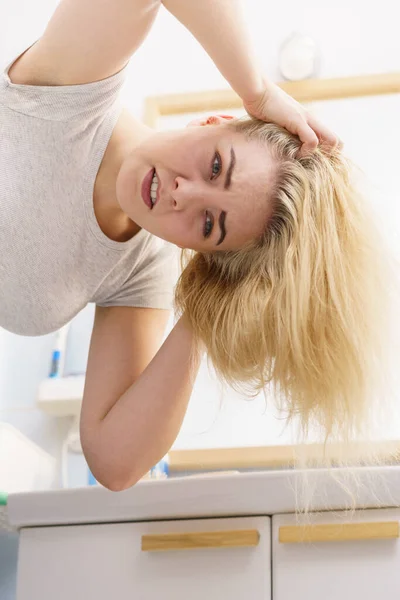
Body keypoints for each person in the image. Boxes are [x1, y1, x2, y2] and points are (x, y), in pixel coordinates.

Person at [0, 0, 391, 491]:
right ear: (213, 121)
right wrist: (259, 89)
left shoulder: (140, 267)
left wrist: (220, 298)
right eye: (215, 167)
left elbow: (113, 460)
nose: (185, 194)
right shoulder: (75, 93)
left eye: (210, 225)